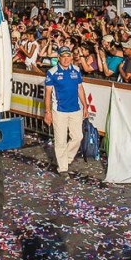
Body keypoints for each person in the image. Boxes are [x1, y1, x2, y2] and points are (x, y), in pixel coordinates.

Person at [43, 46, 88, 175]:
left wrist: (85, 105)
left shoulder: (76, 70)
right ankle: (62, 168)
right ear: (59, 58)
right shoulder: (52, 72)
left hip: (75, 109)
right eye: (64, 56)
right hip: (59, 110)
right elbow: (47, 94)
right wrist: (48, 112)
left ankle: (65, 159)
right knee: (60, 140)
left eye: (69, 56)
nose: (66, 59)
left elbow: (80, 88)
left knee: (78, 137)